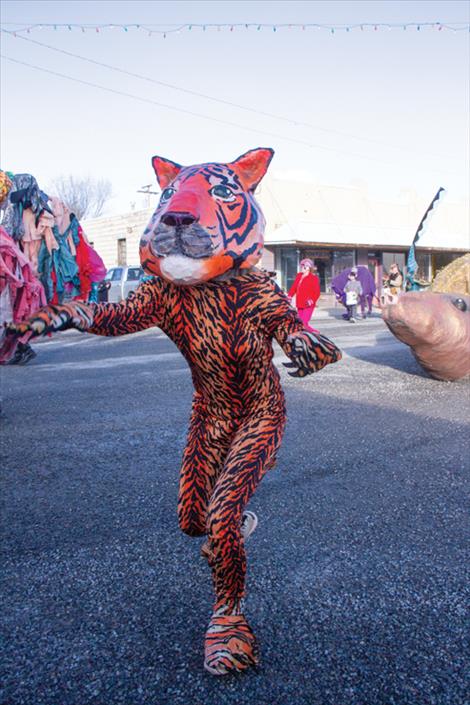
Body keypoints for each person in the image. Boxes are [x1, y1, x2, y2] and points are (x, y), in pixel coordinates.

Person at [287, 259, 321, 332]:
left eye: (305, 266)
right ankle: (307, 336)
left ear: (309, 268)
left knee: (304, 323)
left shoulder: (314, 278)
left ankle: (315, 333)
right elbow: (294, 287)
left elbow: (317, 292)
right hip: (299, 303)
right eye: (302, 266)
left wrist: (312, 300)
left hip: (308, 304)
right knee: (300, 323)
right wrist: (290, 296)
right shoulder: (299, 276)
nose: (303, 267)